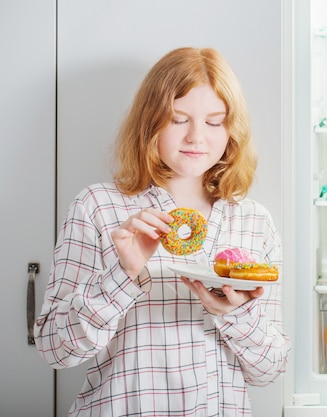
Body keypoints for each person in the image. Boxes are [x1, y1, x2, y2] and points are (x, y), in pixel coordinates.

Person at [34, 47, 291, 416]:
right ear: (150, 121)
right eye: (177, 119)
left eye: (214, 122)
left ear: (232, 130)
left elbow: (270, 370)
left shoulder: (253, 221)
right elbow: (53, 349)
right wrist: (123, 275)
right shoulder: (99, 207)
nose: (196, 138)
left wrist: (235, 313)